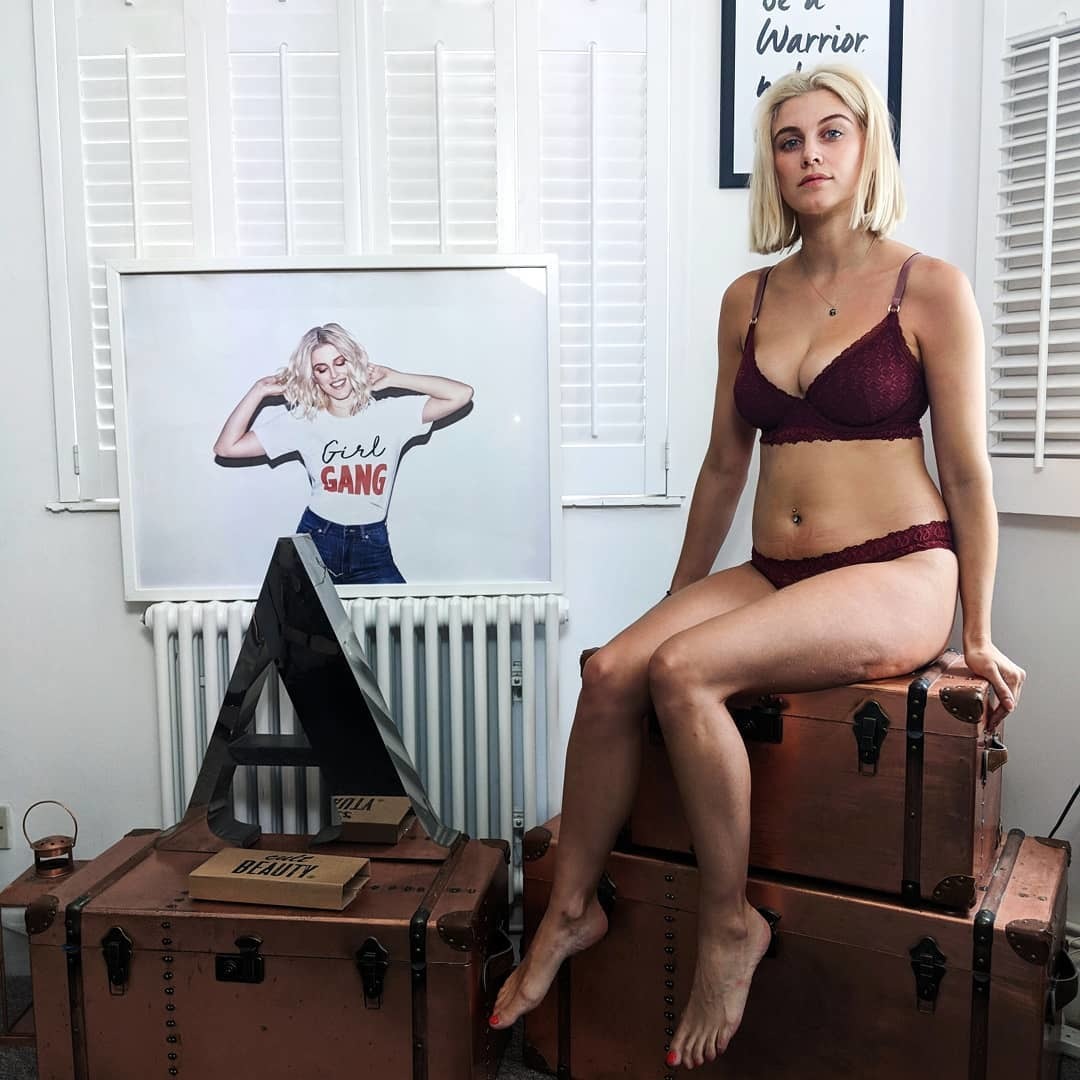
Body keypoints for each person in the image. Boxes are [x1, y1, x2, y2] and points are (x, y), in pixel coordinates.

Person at [489, 64, 1026, 1070]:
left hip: (899, 568)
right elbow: (724, 466)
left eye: (832, 132)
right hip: (776, 566)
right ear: (771, 166)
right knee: (613, 670)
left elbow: (967, 472)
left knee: (685, 672)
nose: (810, 153)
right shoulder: (749, 297)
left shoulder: (928, 287)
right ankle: (569, 912)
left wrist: (981, 633)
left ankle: (728, 925)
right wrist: (678, 596)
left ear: (867, 148)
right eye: (789, 140)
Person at [213, 322, 473, 584]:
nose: (334, 375)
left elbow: (462, 394)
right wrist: (258, 390)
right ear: (313, 376)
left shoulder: (390, 415)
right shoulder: (304, 421)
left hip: (372, 546)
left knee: (399, 611)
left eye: (340, 362)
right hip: (317, 540)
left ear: (354, 361)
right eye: (321, 369)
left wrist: (395, 378)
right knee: (290, 612)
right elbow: (226, 447)